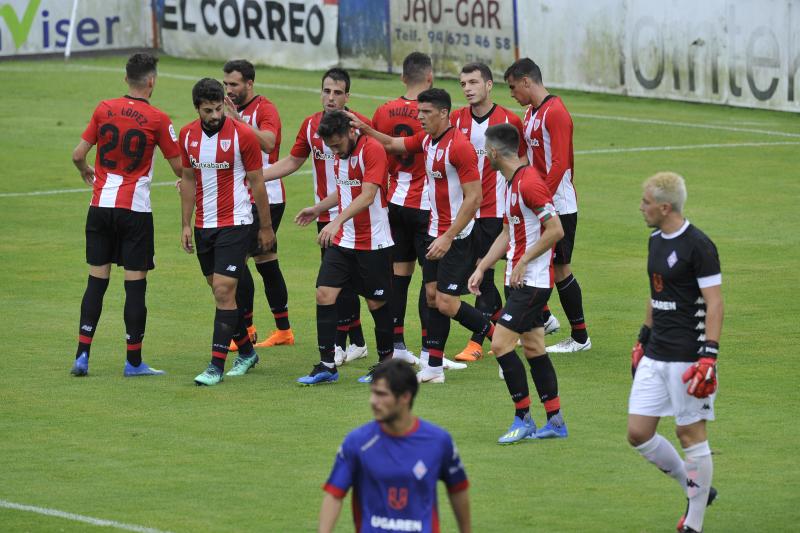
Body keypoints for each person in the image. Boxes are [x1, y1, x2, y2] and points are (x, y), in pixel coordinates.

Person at [349, 88, 492, 384]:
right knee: (431, 296)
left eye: (426, 113)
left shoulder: (459, 147)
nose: (420, 118)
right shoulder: (427, 140)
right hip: (434, 231)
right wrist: (364, 129)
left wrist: (449, 236)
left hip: (457, 235)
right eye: (418, 112)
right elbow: (390, 143)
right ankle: (434, 368)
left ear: (443, 113)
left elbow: (474, 198)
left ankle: (499, 335)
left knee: (446, 303)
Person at [70, 52, 182, 378]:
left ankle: (82, 355)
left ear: (125, 79)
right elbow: (178, 166)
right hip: (134, 211)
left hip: (100, 207)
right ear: (152, 81)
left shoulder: (103, 109)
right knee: (135, 288)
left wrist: (85, 170)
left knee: (96, 283)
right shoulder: (159, 119)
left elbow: (78, 155)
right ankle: (133, 362)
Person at [627, 172, 722, 533]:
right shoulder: (655, 240)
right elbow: (656, 292)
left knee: (690, 435)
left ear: (665, 207)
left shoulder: (699, 246)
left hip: (688, 355)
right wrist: (642, 338)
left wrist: (708, 356)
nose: (641, 207)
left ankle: (693, 524)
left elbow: (714, 303)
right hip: (656, 352)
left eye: (646, 202)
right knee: (638, 432)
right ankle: (695, 488)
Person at [468, 124, 568, 443]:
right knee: (535, 347)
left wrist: (524, 260)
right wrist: (482, 267)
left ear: (495, 153)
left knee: (499, 344)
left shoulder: (530, 184)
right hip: (518, 279)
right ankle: (554, 420)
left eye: (486, 152)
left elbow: (555, 230)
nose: (485, 157)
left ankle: (523, 418)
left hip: (533, 282)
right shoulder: (509, 183)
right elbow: (507, 233)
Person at [263, 68, 370, 366]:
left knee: (338, 283)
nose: (331, 97)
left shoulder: (359, 126)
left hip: (355, 214)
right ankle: (357, 342)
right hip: (325, 217)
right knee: (341, 282)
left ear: (348, 96)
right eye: (326, 91)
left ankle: (340, 344)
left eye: (337, 92)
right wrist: (255, 177)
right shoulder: (311, 125)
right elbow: (293, 161)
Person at [178, 78, 274, 386]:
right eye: (208, 110)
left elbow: (258, 182)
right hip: (204, 226)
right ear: (197, 109)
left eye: (219, 108)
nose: (215, 115)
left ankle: (215, 367)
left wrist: (266, 226)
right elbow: (189, 180)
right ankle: (247, 352)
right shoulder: (187, 136)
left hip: (236, 222)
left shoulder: (243, 135)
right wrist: (185, 224)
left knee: (223, 290)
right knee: (221, 293)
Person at [294, 111, 394, 385]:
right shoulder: (341, 153)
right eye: (330, 147)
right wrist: (318, 208)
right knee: (324, 294)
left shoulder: (372, 149)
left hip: (373, 241)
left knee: (376, 302)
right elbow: (345, 189)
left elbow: (368, 194)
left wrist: (336, 220)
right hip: (344, 241)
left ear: (351, 132)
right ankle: (327, 365)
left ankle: (387, 364)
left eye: (337, 145)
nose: (334, 151)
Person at [319, 359, 471, 532]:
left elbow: (458, 489)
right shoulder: (357, 442)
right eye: (373, 393)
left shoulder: (439, 441)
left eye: (382, 394)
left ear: (405, 397)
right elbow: (334, 494)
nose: (373, 401)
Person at [504, 58, 591, 353]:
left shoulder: (556, 113)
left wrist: (540, 197)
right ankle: (543, 320)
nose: (513, 94)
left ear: (527, 81)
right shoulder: (531, 114)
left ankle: (579, 337)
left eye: (514, 87)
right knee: (532, 260)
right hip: (540, 200)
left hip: (558, 203)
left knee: (560, 268)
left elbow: (561, 163)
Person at [451, 62, 526, 363]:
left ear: (489, 85)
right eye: (463, 84)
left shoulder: (509, 119)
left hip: (497, 209)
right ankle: (522, 323)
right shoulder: (456, 120)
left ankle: (477, 340)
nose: (468, 88)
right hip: (467, 210)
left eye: (473, 82)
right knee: (479, 275)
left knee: (484, 273)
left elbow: (521, 163)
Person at [221, 59, 295, 359]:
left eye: (234, 84)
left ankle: (247, 330)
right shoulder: (224, 111)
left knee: (236, 263)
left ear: (250, 84)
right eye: (226, 84)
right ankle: (283, 329)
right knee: (266, 261)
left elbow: (268, 143)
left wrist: (236, 119)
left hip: (266, 196)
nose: (229, 90)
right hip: (241, 196)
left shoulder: (265, 109)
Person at [371, 52, 432, 367]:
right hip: (425, 205)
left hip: (393, 201)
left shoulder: (382, 111)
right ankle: (429, 350)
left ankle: (396, 342)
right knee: (431, 279)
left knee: (399, 275)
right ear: (430, 78)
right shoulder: (433, 114)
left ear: (403, 77)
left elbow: (376, 151)